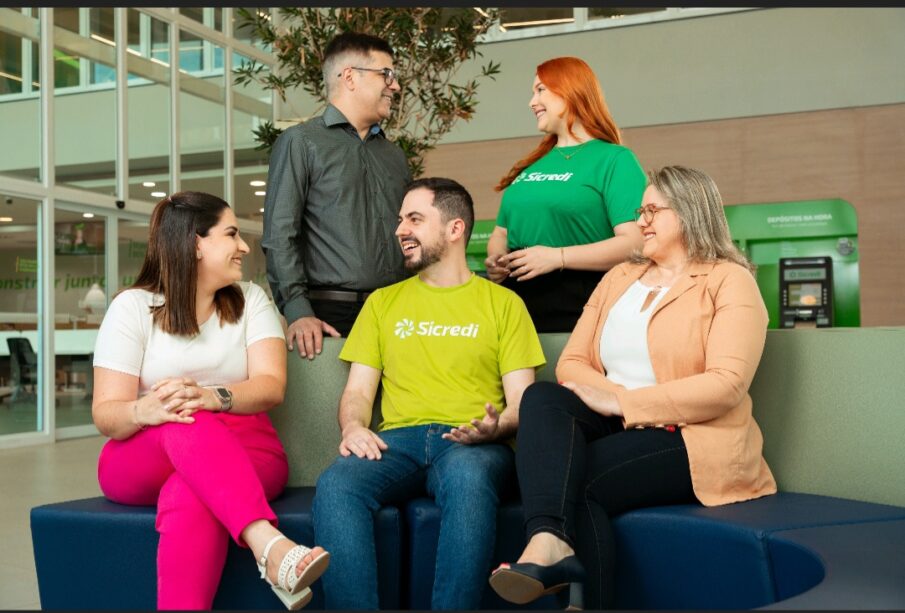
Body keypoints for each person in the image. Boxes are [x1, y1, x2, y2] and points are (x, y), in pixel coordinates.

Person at [488, 166, 777, 609]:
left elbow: (726, 386)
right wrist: (613, 405)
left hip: (692, 436)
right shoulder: (620, 277)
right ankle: (548, 541)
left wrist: (623, 402)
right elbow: (572, 363)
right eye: (640, 211)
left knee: (576, 479)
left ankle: (569, 577)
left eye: (652, 211)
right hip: (617, 426)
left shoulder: (729, 280)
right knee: (542, 396)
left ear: (689, 212)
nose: (640, 221)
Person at [312, 177, 546, 610]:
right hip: (396, 442)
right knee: (337, 484)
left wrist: (496, 428)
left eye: (415, 219)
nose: (400, 229)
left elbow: (522, 403)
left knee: (470, 479)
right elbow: (358, 391)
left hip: (471, 444)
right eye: (401, 220)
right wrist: (352, 427)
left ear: (455, 229)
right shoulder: (382, 303)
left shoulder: (504, 304)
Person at [91, 191, 330, 610]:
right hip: (144, 451)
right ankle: (269, 545)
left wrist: (210, 397)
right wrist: (146, 409)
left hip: (248, 449)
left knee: (188, 490)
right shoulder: (131, 307)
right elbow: (106, 414)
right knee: (185, 418)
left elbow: (271, 386)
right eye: (232, 234)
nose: (244, 247)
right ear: (196, 243)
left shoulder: (252, 300)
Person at [262, 31, 412, 360]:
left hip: (398, 313)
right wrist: (298, 310)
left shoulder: (394, 155)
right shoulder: (301, 142)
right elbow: (280, 234)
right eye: (386, 74)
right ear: (350, 77)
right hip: (328, 319)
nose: (396, 86)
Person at [485, 56, 646, 332]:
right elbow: (501, 233)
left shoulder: (615, 159)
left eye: (540, 90)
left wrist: (557, 257)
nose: (532, 102)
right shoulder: (534, 164)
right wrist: (496, 260)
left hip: (582, 308)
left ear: (570, 91)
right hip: (517, 307)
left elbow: (635, 244)